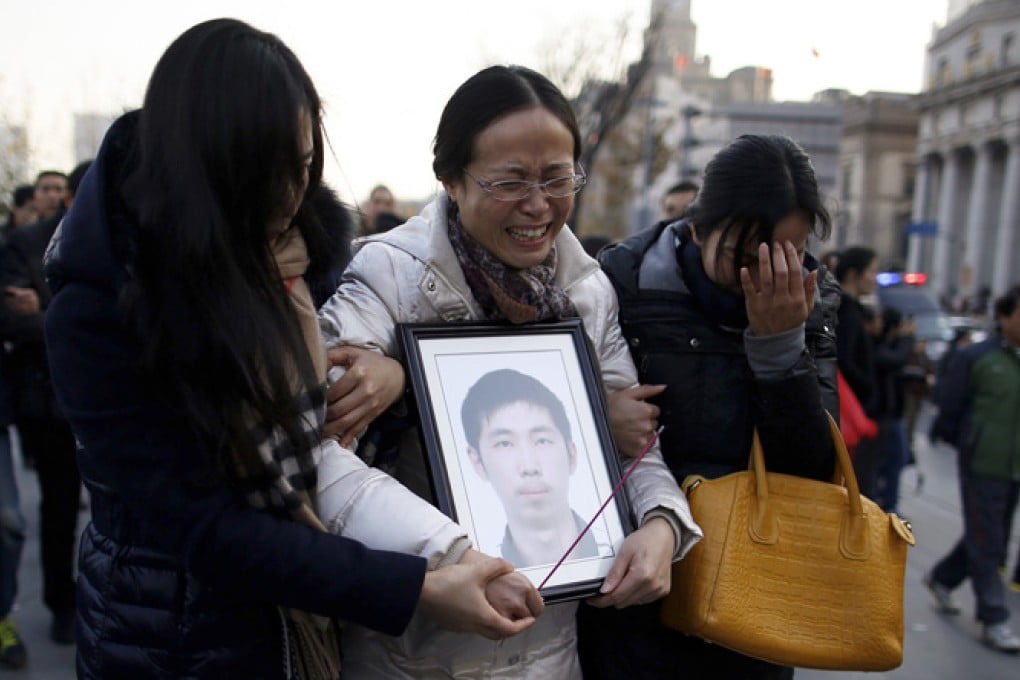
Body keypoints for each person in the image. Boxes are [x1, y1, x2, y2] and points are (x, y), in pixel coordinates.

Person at [42, 19, 532, 678]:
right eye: (260, 172)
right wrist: (412, 587)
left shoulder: (300, 260)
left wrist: (392, 375)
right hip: (168, 634)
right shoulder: (105, 299)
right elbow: (200, 527)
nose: (289, 194)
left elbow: (331, 443)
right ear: (199, 164)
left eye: (302, 164)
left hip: (295, 619)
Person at [316, 64, 700, 679]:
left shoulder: (587, 290)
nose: (538, 205)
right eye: (510, 182)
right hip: (413, 654)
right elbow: (319, 446)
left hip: (552, 652)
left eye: (557, 178)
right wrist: (449, 556)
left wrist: (661, 523)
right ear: (450, 179)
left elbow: (634, 445)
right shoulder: (387, 275)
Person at [587, 133, 840, 679]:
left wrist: (780, 350)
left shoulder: (813, 302)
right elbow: (554, 411)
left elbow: (811, 475)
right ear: (698, 226)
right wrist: (599, 417)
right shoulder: (622, 283)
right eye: (747, 256)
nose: (767, 274)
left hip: (751, 594)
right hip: (635, 585)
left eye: (788, 255)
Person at [0, 160, 91, 645]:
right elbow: (12, 321)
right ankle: (62, 602)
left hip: (110, 396)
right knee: (58, 507)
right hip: (47, 400)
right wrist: (66, 318)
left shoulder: (124, 242)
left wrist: (48, 309)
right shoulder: (25, 242)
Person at [925, 286, 1020, 654]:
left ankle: (942, 578)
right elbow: (950, 403)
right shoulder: (978, 358)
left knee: (987, 535)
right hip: (982, 462)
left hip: (1014, 467)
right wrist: (960, 441)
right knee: (990, 540)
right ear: (1004, 316)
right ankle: (993, 618)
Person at [461, 368, 612, 568]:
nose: (529, 467)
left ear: (572, 453)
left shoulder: (616, 552)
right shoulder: (479, 571)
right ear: (477, 463)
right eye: (504, 444)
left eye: (542, 441)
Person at [835, 246, 881, 499]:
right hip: (853, 413)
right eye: (872, 271)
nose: (874, 278)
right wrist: (868, 390)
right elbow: (844, 361)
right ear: (854, 274)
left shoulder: (850, 311)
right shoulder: (848, 314)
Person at [871, 307, 915, 515]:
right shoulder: (877, 346)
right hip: (880, 415)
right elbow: (896, 359)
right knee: (891, 458)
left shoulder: (887, 344)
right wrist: (907, 338)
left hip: (890, 414)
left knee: (895, 458)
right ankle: (886, 502)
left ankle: (887, 500)